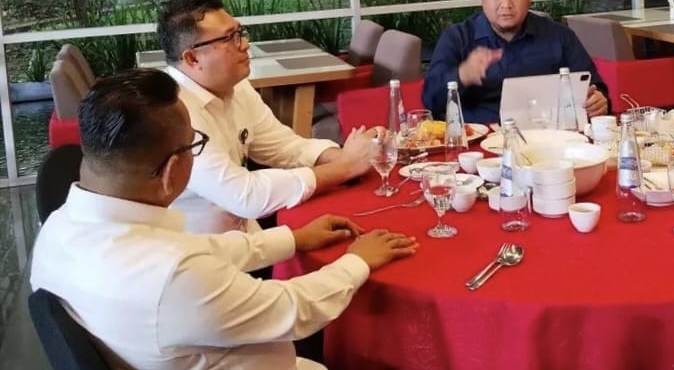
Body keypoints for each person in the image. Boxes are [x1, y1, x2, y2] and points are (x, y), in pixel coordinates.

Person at [31, 69, 418, 370]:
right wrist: (357, 261)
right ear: (172, 171)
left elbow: (201, 249)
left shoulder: (60, 229)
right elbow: (291, 308)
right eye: (194, 145)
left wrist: (292, 239)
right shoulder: (175, 277)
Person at [157, 0, 376, 234]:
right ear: (192, 58)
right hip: (199, 249)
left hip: (248, 236)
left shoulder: (235, 86)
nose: (244, 44)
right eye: (230, 38)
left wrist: (349, 155)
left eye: (240, 32)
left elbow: (283, 146)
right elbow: (246, 196)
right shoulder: (170, 111)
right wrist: (345, 167)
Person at [423, 0, 609, 124]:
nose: (506, 4)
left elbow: (593, 86)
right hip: (477, 139)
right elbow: (430, 101)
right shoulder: (457, 38)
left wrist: (599, 100)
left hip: (548, 137)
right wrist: (462, 75)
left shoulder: (559, 36)